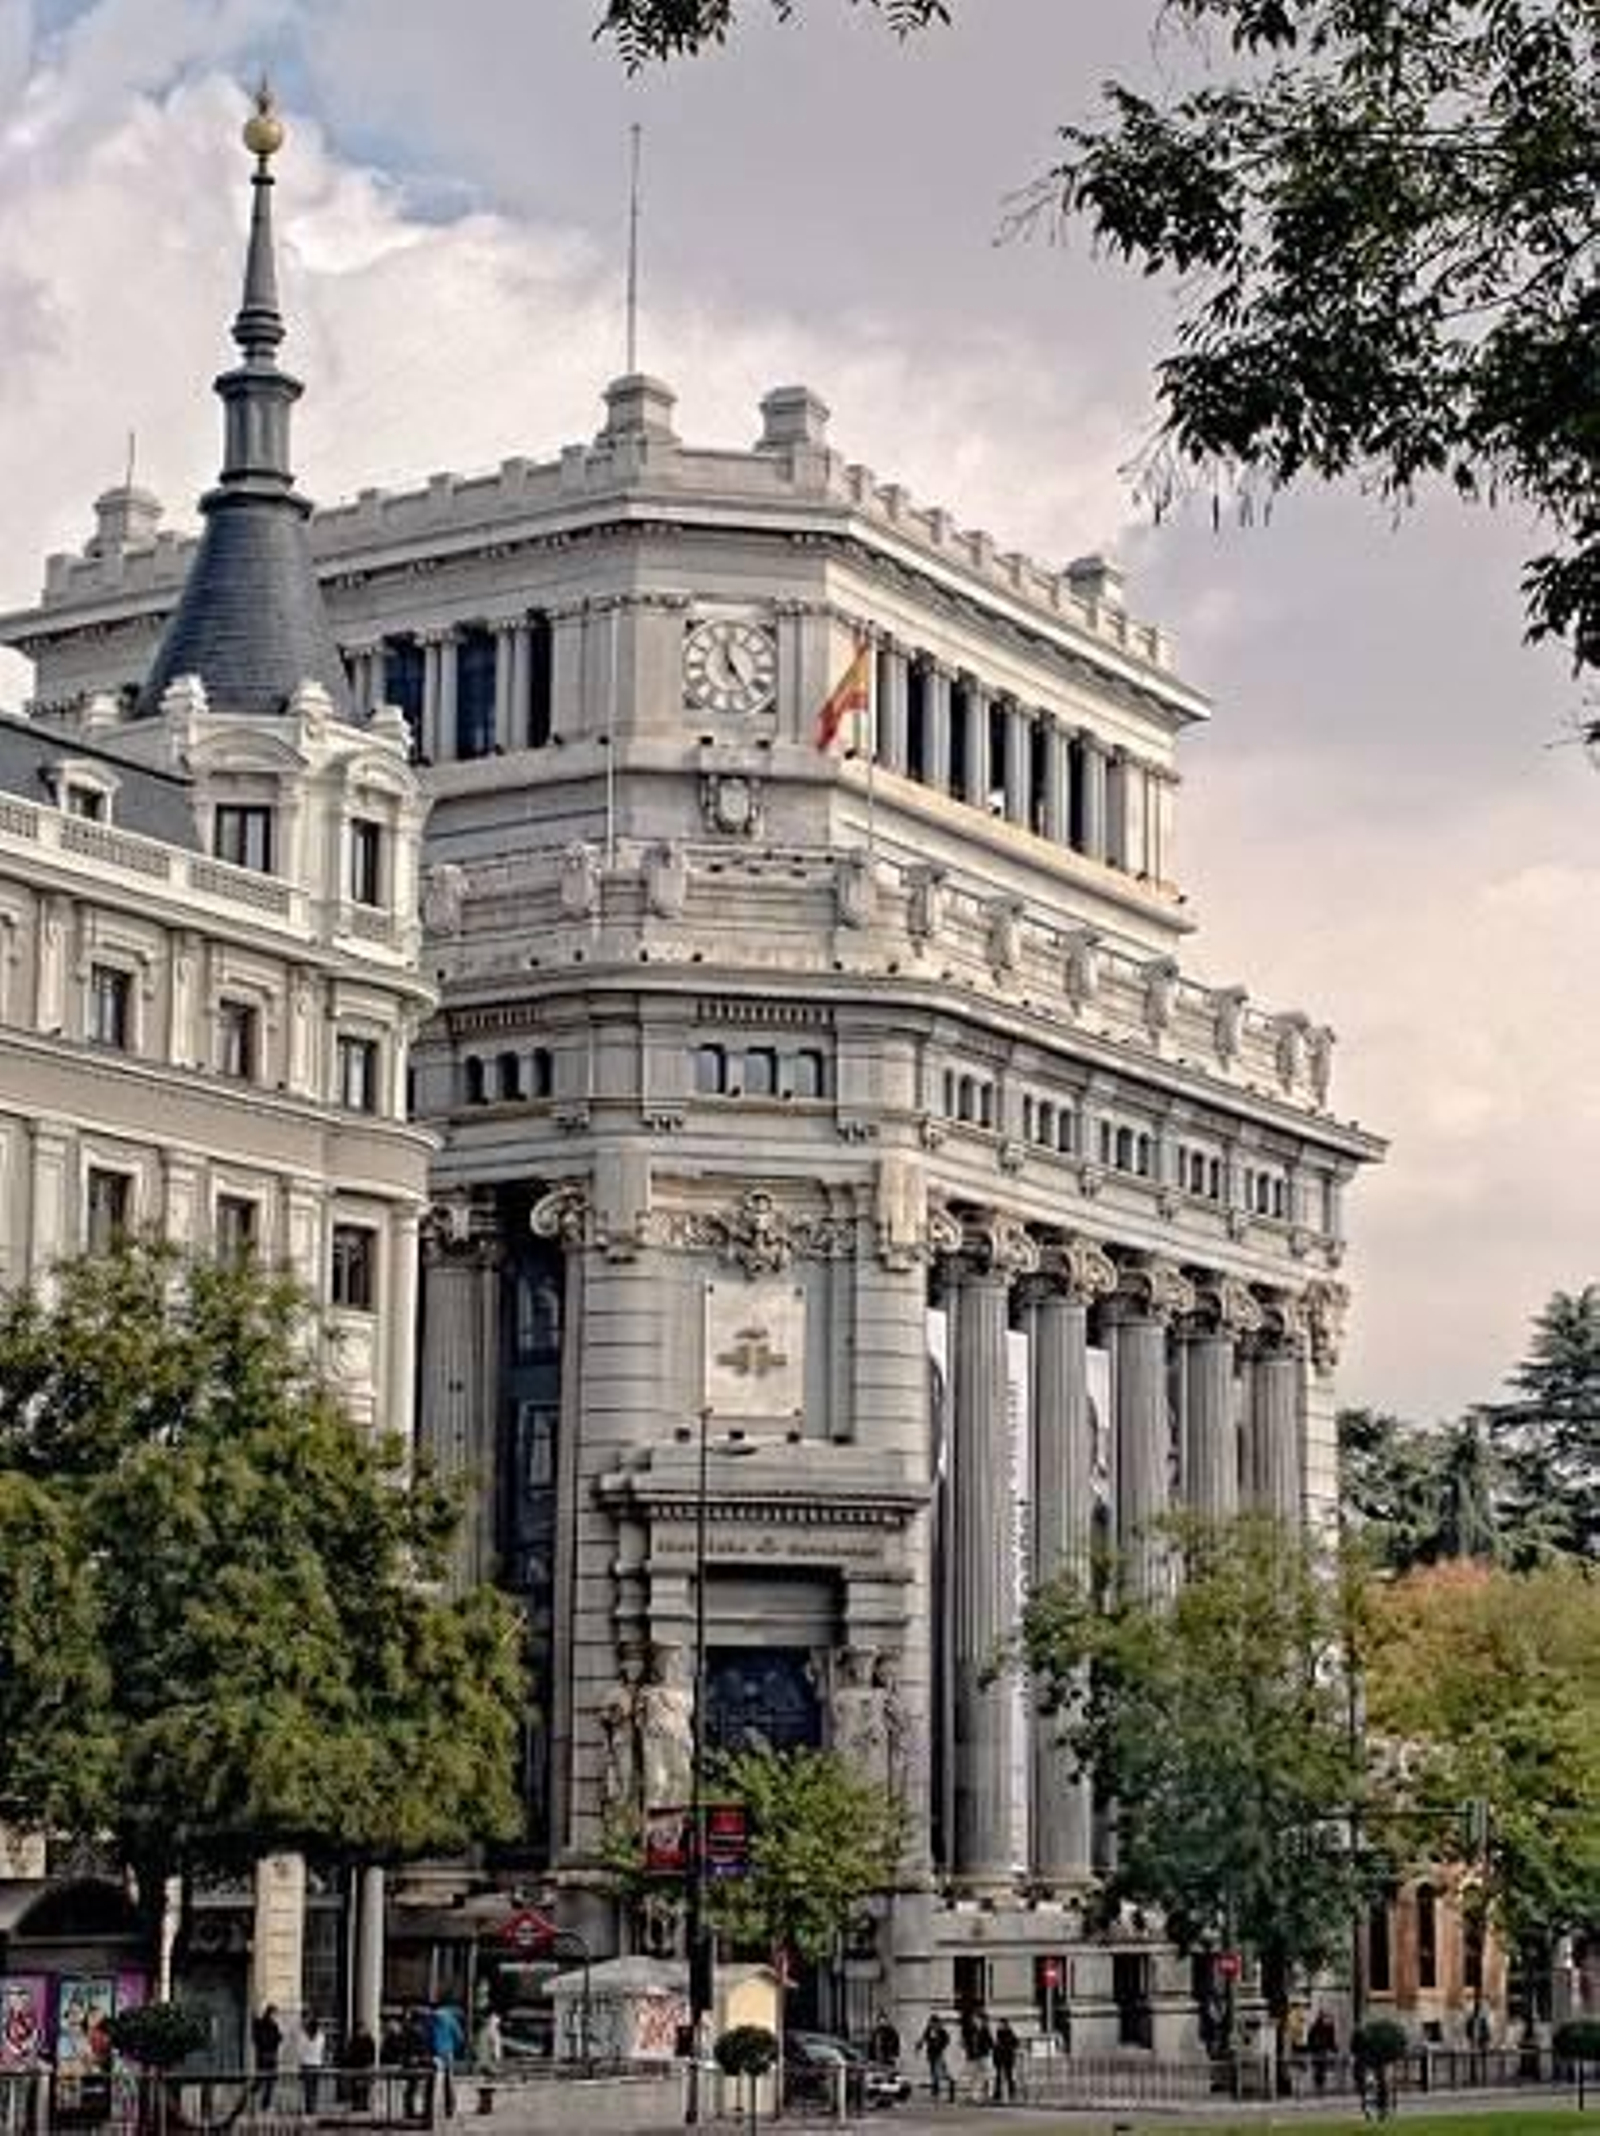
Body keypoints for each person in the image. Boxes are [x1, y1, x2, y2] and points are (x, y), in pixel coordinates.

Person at [916, 2013, 955, 2102]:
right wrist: (918, 2046)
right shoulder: (928, 2030)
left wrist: (939, 2045)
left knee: (940, 2073)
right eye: (930, 2023)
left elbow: (947, 2040)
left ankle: (951, 2084)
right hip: (931, 2054)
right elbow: (923, 2039)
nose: (931, 2025)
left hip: (938, 2054)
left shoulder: (942, 2031)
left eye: (933, 2023)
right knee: (933, 2073)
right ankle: (935, 2092)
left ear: (936, 2023)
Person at [251, 2004, 282, 2111]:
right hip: (268, 2056)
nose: (276, 2016)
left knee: (264, 2082)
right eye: (275, 2014)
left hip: (264, 2056)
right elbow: (276, 2039)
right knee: (266, 2082)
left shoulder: (264, 2024)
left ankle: (260, 2103)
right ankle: (263, 2104)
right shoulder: (270, 2025)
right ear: (270, 2013)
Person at [299, 2014, 327, 2117]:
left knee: (308, 2088)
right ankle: (313, 2107)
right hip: (317, 2063)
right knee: (315, 2088)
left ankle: (309, 2108)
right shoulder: (320, 2037)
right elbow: (322, 2049)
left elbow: (300, 2051)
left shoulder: (303, 2036)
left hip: (306, 2064)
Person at [346, 2024, 377, 2114]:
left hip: (365, 2066)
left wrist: (370, 2064)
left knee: (365, 2087)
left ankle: (364, 2104)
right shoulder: (354, 2040)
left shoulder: (369, 2040)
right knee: (356, 2087)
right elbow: (350, 2053)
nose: (360, 2032)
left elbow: (372, 2054)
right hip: (356, 2067)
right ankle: (357, 2104)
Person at [1307, 2010, 1337, 2093]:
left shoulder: (1317, 2026)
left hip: (1318, 2050)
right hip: (1320, 2050)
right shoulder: (1325, 2027)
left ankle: (1319, 2085)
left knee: (1319, 2068)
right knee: (1320, 2067)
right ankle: (1319, 2085)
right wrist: (1333, 2048)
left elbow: (1310, 2039)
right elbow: (1330, 2040)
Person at [991, 2018, 1020, 2104]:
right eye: (999, 2024)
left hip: (1007, 2057)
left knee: (1008, 2076)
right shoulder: (998, 2034)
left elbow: (1015, 2043)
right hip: (1001, 2058)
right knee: (999, 2077)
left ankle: (1010, 2092)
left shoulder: (1009, 2034)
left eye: (1001, 2024)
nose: (999, 2026)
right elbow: (996, 2047)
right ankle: (998, 2093)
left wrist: (1007, 2047)